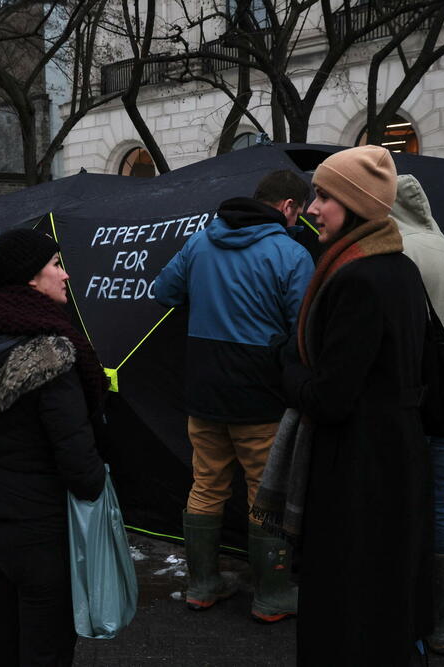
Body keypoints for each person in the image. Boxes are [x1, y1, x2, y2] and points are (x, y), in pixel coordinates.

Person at [273, 145, 431, 664]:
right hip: (393, 458)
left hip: (358, 470)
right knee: (383, 601)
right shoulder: (399, 267)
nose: (312, 208)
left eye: (324, 196)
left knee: (348, 608)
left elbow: (331, 398)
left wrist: (287, 368)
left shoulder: (358, 277)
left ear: (357, 204)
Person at [0, 223, 107, 666]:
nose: (65, 274)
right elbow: (77, 457)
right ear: (31, 277)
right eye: (55, 264)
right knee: (45, 650)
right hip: (42, 528)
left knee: (2, 643)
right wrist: (96, 486)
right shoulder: (50, 354)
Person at [154, 170, 314, 621]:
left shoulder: (201, 241)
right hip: (260, 394)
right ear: (288, 206)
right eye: (300, 212)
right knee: (265, 494)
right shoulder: (290, 253)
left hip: (203, 388)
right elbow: (305, 329)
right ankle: (271, 595)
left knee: (206, 484)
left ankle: (202, 585)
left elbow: (164, 291)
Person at [391, 174, 444, 654]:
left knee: (401, 501)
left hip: (415, 395)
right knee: (440, 499)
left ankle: (404, 609)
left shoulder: (400, 251)